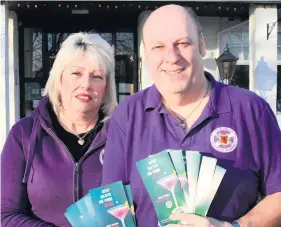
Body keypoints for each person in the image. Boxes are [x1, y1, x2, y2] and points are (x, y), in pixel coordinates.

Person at [102, 4, 281, 227]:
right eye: (158, 47)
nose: (171, 57)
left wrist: (234, 226)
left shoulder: (252, 110)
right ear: (145, 54)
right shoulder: (127, 115)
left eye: (182, 43)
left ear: (202, 45)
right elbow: (112, 206)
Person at [1, 32, 117, 226]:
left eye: (97, 77)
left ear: (106, 87)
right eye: (76, 73)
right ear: (59, 78)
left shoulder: (122, 136)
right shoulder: (24, 135)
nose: (86, 85)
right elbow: (5, 214)